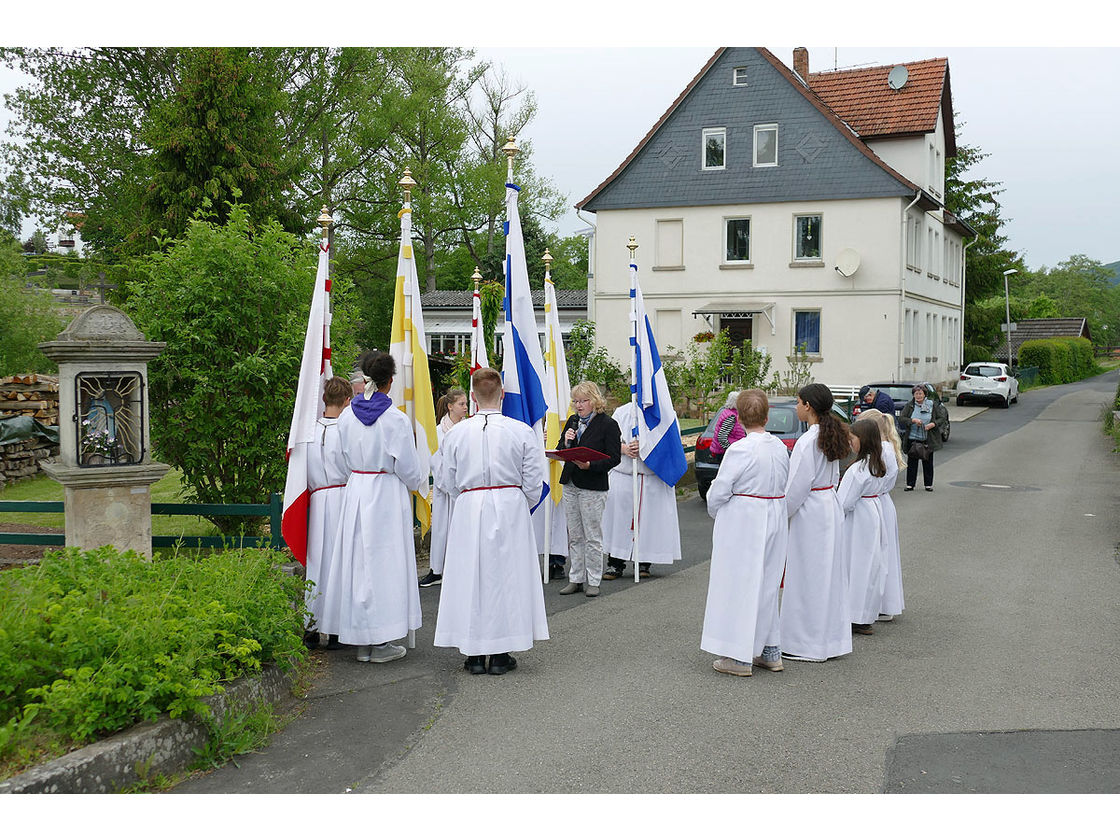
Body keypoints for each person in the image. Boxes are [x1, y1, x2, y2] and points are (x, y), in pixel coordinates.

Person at [433, 367, 549, 675]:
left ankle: (473, 653)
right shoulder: (521, 430)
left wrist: (470, 498)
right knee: (506, 577)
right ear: (501, 395)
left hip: (471, 505)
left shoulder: (455, 433)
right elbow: (534, 480)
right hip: (510, 504)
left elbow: (447, 479)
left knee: (470, 576)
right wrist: (518, 504)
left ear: (471, 396)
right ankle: (499, 652)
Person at [319, 351, 426, 664]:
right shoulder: (394, 419)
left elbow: (339, 456)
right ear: (389, 382)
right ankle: (379, 640)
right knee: (384, 564)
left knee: (359, 565)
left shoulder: (348, 415)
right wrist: (416, 480)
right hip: (385, 492)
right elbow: (408, 466)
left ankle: (360, 638)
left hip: (357, 489)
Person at [700, 390, 790, 677]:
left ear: (738, 417)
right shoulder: (778, 446)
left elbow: (719, 490)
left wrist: (718, 513)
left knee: (740, 585)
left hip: (745, 519)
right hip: (774, 514)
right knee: (766, 582)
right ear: (767, 416)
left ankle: (739, 656)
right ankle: (770, 649)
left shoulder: (739, 449)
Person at [779, 382, 852, 663]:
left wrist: (780, 514)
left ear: (808, 406)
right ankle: (830, 640)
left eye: (798, 402)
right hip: (828, 504)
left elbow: (797, 486)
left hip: (811, 510)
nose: (796, 406)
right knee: (827, 576)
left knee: (807, 576)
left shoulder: (807, 441)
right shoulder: (828, 434)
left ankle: (804, 643)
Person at [601, 400, 681, 580]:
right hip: (625, 474)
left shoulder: (666, 413)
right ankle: (615, 563)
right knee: (619, 522)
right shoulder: (622, 412)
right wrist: (625, 448)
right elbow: (609, 440)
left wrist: (646, 448)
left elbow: (671, 444)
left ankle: (644, 561)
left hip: (651, 476)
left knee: (648, 522)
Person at [556, 381, 622, 597]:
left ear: (594, 401)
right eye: (575, 401)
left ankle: (593, 579)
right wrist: (566, 443)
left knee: (592, 535)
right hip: (571, 483)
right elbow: (559, 449)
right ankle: (575, 577)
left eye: (583, 401)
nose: (578, 405)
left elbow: (614, 458)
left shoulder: (608, 424)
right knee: (574, 535)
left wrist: (591, 465)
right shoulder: (573, 422)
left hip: (593, 485)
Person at [303, 375, 352, 651]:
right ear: (347, 400)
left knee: (317, 564)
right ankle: (335, 630)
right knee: (339, 564)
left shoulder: (308, 432)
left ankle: (311, 627)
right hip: (342, 495)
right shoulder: (345, 431)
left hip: (317, 500)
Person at [838, 419, 888, 636]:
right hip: (873, 512)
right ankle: (865, 615)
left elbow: (845, 502)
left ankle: (853, 615)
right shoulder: (877, 464)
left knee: (855, 564)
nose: (850, 443)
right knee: (871, 565)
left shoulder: (857, 469)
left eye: (853, 439)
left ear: (863, 440)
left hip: (858, 517)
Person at [858, 408, 905, 622]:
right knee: (885, 552)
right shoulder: (887, 448)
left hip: (877, 500)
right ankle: (887, 602)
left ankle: (881, 603)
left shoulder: (881, 451)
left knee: (879, 555)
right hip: (883, 501)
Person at [419, 388, 469, 588]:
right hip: (445, 489)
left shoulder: (468, 428)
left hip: (463, 489)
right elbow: (436, 461)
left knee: (463, 530)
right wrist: (448, 483)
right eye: (461, 404)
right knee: (441, 530)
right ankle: (437, 569)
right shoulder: (438, 432)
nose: (465, 408)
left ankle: (461, 567)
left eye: (466, 404)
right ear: (450, 406)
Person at [900, 384, 949, 491]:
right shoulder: (910, 405)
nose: (918, 396)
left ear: (924, 394)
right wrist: (912, 421)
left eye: (920, 393)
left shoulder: (932, 404)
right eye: (916, 394)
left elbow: (942, 418)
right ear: (913, 395)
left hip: (928, 438)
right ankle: (910, 484)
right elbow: (902, 418)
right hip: (913, 438)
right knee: (912, 463)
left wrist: (933, 424)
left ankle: (928, 484)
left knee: (928, 462)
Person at [708, 390, 745, 457]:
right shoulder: (731, 416)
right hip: (725, 453)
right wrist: (731, 450)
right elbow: (722, 437)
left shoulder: (728, 412)